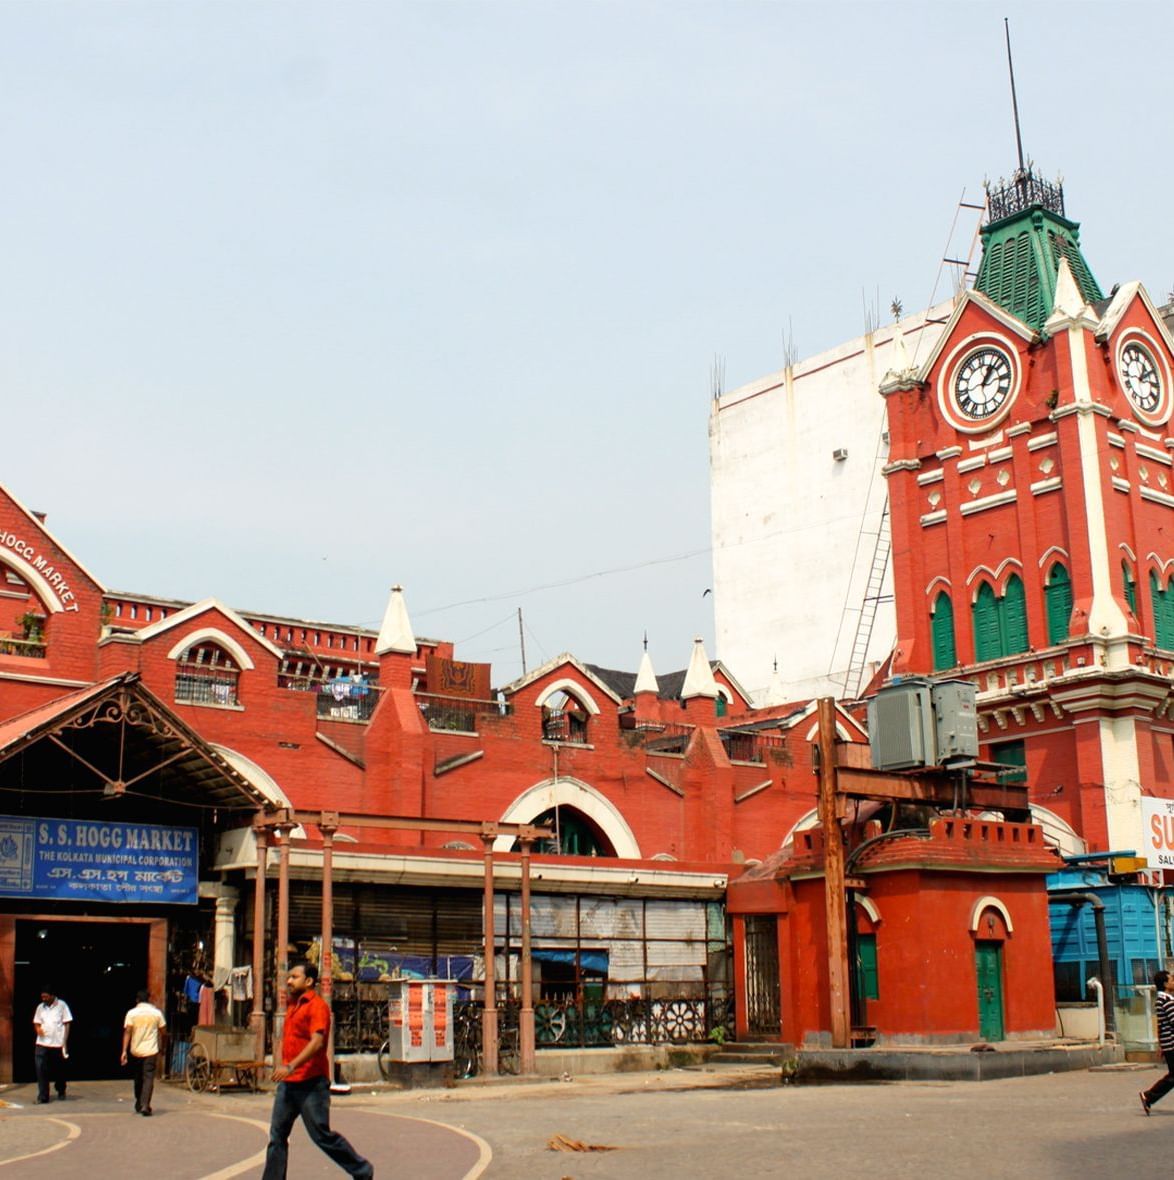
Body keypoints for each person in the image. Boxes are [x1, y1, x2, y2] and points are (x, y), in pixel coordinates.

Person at [263, 961, 373, 1180]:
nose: (289, 981)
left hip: (311, 1084)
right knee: (277, 1136)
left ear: (309, 981)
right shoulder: (293, 1007)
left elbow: (316, 1042)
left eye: (294, 977)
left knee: (321, 1135)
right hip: (289, 1085)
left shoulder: (317, 1007)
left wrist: (290, 1065)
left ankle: (362, 1170)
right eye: (289, 977)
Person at [121, 988, 167, 1116]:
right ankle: (145, 1104)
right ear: (149, 999)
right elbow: (164, 1032)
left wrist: (124, 1051)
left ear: (137, 1000)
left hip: (136, 1050)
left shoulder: (132, 1013)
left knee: (138, 1078)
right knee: (148, 1078)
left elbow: (127, 1032)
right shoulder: (156, 1013)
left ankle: (140, 1101)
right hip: (151, 1050)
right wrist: (163, 1047)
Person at [1141, 969, 1174, 1114]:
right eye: (1172, 980)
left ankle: (1149, 1097)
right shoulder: (1166, 1001)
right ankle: (1149, 1096)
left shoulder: (1164, 999)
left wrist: (1161, 1044)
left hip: (1168, 1044)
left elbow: (1160, 1025)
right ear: (1166, 984)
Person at [32, 986, 72, 1104]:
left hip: (57, 1042)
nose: (43, 999)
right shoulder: (40, 1007)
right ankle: (43, 1096)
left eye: (46, 996)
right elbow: (36, 1022)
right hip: (42, 1042)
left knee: (59, 1069)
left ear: (52, 995)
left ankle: (61, 1089)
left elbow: (67, 1023)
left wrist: (65, 1041)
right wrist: (38, 1029)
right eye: (42, 997)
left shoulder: (62, 1005)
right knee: (40, 1068)